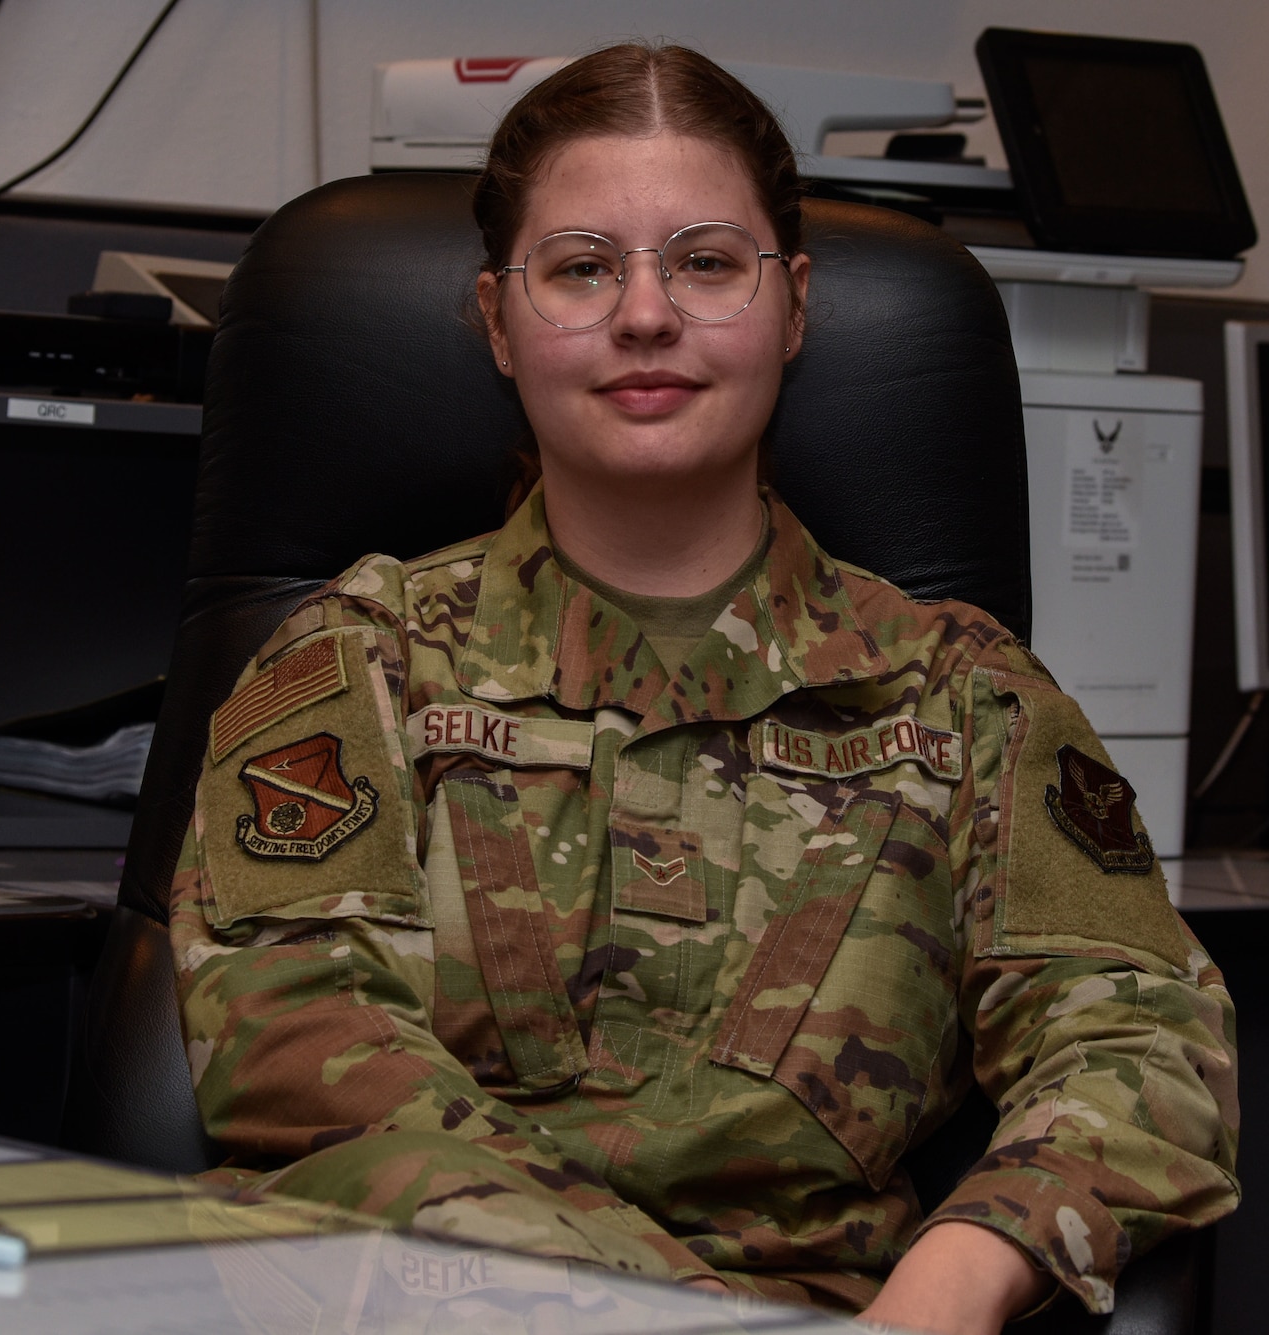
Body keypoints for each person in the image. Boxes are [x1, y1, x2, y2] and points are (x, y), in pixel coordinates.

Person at [167, 42, 1238, 1335]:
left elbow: (1134, 1043)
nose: (645, 315)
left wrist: (958, 1279)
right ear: (499, 325)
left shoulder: (962, 699)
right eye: (580, 268)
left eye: (707, 261)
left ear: (792, 306)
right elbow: (309, 1062)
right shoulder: (362, 665)